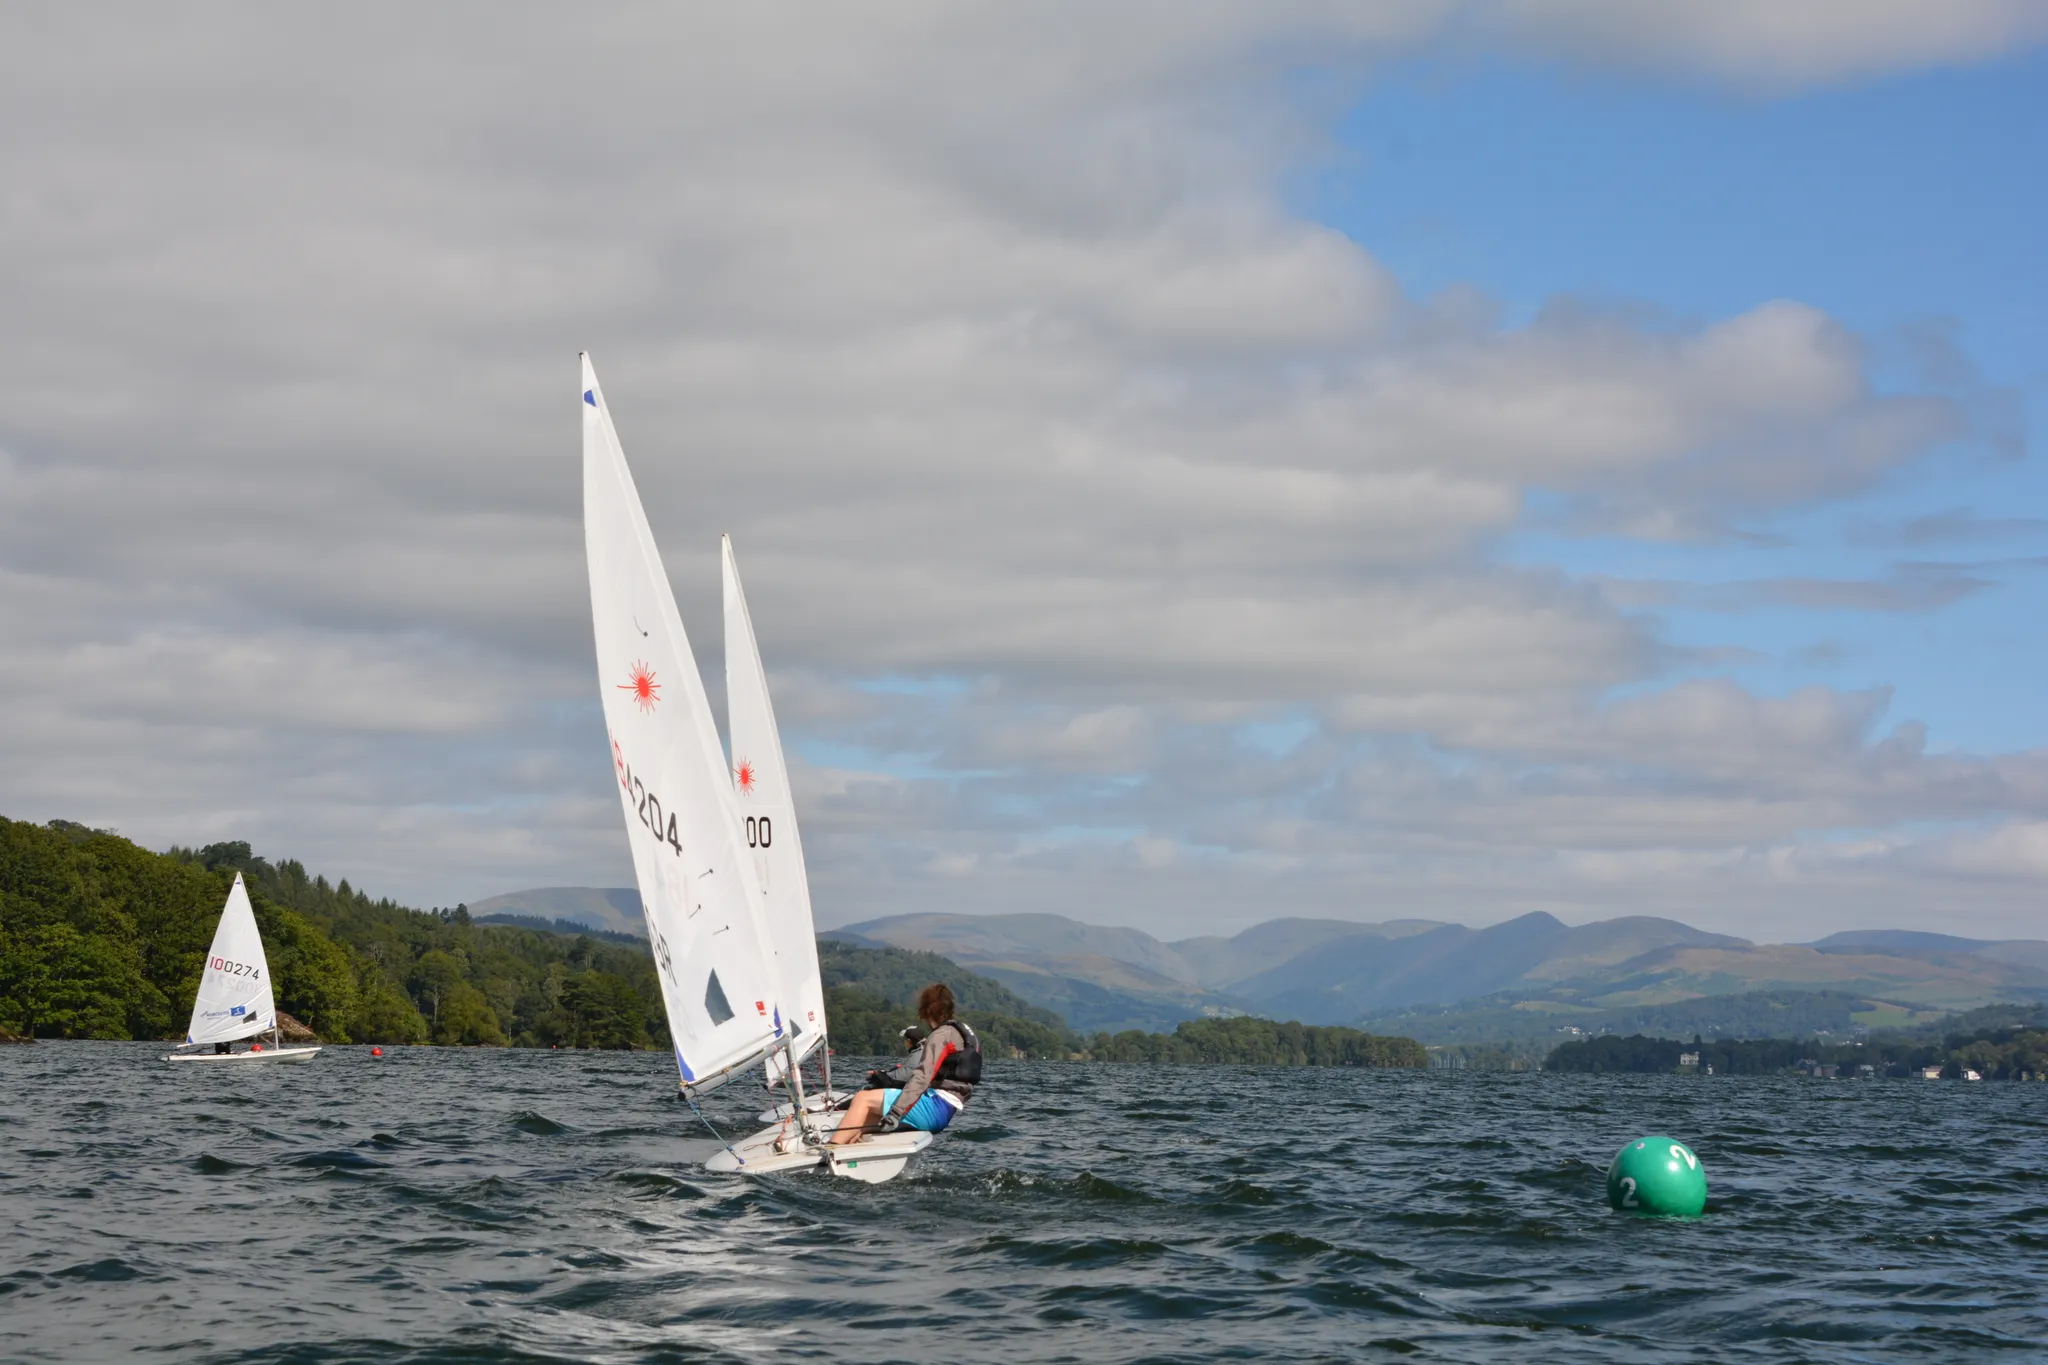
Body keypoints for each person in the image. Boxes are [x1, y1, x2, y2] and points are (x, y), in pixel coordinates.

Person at [830, 983, 979, 1144]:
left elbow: (922, 1077)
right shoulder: (962, 1034)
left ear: (925, 1010)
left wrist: (896, 1112)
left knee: (862, 1098)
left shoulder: (940, 1036)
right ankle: (842, 1153)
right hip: (946, 1111)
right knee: (864, 1120)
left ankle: (827, 1154)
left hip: (934, 1107)